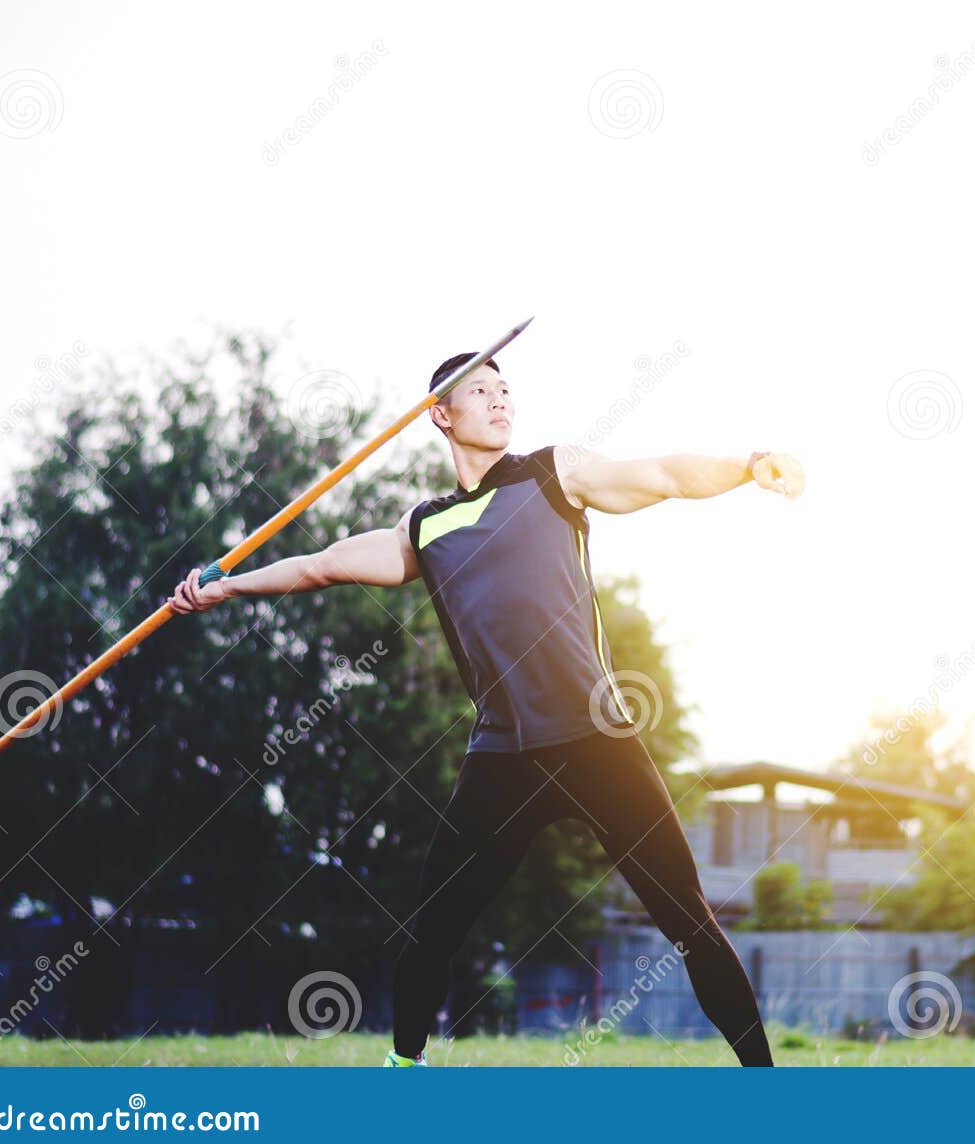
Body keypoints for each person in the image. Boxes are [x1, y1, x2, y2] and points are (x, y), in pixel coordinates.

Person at [169, 350, 805, 1067]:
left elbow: (662, 476)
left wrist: (747, 465)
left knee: (687, 917)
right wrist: (226, 586)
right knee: (433, 928)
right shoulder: (425, 528)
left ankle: (767, 1088)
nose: (501, 401)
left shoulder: (552, 473)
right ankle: (403, 1070)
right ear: (441, 414)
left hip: (599, 737)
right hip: (504, 753)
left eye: (506, 389)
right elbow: (320, 565)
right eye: (481, 391)